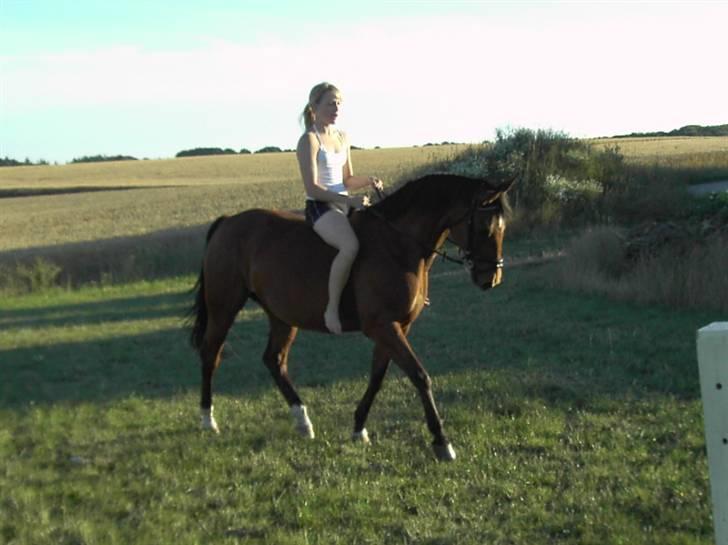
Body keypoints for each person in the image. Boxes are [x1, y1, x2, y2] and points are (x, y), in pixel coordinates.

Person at [296, 82, 384, 335]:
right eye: (330, 103)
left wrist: (368, 181)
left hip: (343, 203)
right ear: (315, 107)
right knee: (350, 246)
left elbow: (347, 180)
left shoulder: (342, 137)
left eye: (338, 103)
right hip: (320, 207)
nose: (336, 108)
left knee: (381, 235)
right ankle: (331, 309)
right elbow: (312, 188)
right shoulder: (309, 140)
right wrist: (350, 202)